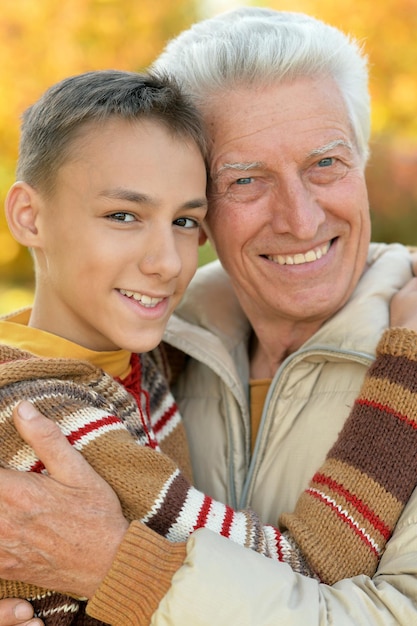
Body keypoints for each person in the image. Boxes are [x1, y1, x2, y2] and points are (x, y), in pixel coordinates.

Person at [0, 7, 417, 626]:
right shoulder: (59, 408)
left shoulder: (140, 355)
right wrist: (405, 377)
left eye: (325, 163)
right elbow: (297, 567)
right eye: (246, 178)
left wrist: (111, 566)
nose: (300, 220)